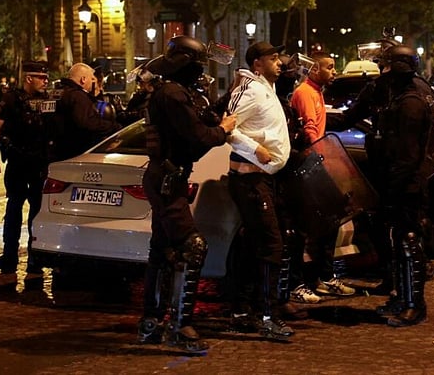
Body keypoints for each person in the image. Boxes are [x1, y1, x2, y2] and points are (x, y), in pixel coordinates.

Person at [136, 36, 236, 354]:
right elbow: (197, 137)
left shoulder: (173, 93)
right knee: (192, 247)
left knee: (161, 249)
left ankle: (151, 322)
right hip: (167, 179)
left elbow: (198, 121)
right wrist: (224, 130)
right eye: (197, 66)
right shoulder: (173, 94)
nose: (200, 73)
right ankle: (179, 327)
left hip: (165, 177)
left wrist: (219, 112)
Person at [366, 44, 434, 326]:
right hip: (400, 181)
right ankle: (402, 298)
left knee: (409, 243)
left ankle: (414, 304)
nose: (382, 72)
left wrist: (393, 189)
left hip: (406, 185)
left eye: (385, 66)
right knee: (399, 242)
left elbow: (407, 156)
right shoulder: (403, 96)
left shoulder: (410, 103)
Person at [225, 41, 295, 340]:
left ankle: (243, 309)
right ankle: (268, 315)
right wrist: (257, 149)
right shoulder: (250, 89)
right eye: (273, 58)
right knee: (271, 246)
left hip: (263, 179)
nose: (279, 63)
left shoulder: (265, 87)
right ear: (257, 63)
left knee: (254, 246)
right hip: (251, 180)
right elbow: (227, 127)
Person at [288, 51, 356, 303]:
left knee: (329, 223)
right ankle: (312, 279)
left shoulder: (316, 93)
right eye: (329, 67)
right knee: (312, 226)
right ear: (314, 69)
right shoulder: (305, 93)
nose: (334, 72)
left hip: (317, 163)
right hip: (311, 165)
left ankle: (323, 277)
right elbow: (310, 131)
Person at [0, 61, 54, 291]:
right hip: (17, 161)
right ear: (28, 78)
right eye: (41, 78)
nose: (45, 81)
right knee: (14, 208)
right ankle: (9, 259)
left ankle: (35, 261)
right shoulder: (10, 99)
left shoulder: (49, 100)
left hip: (39, 163)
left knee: (37, 211)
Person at [53, 62, 121, 161]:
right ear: (83, 79)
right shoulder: (78, 96)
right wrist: (114, 127)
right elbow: (88, 122)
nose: (93, 83)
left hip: (57, 151)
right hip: (75, 152)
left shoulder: (57, 93)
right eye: (91, 79)